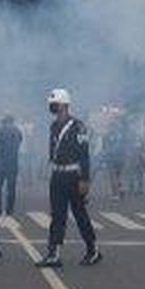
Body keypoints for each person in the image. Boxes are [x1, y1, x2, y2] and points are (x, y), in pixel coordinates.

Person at [36, 89, 102, 269]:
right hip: (57, 175)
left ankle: (93, 250)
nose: (52, 107)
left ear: (64, 104)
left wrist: (85, 179)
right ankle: (54, 253)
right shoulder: (53, 126)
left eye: (54, 104)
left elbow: (84, 155)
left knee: (80, 214)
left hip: (74, 175)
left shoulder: (78, 126)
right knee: (57, 215)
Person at [0, 114, 22, 216]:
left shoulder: (0, 130)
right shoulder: (18, 131)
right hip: (13, 162)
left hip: (2, 162)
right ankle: (10, 210)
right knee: (11, 188)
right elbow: (19, 143)